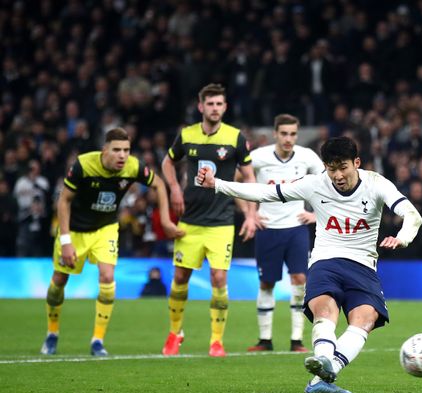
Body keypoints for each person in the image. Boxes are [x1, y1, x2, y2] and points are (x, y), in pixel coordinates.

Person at [196, 136, 422, 393]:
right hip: (325, 260)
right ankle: (325, 363)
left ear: (356, 163)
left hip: (362, 264)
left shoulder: (376, 183)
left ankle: (324, 375)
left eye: (343, 167)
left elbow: (412, 215)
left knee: (366, 318)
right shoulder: (314, 184)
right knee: (325, 310)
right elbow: (266, 192)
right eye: (331, 168)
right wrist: (217, 184)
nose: (337, 175)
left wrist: (402, 238)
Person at [40, 127, 183, 356]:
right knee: (59, 281)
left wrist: (165, 220)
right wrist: (66, 241)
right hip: (75, 230)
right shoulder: (83, 165)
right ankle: (52, 333)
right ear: (104, 150)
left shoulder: (133, 166)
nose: (122, 155)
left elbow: (157, 184)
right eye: (117, 150)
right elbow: (64, 201)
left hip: (105, 228)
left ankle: (98, 341)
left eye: (126, 150)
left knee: (107, 277)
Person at [160, 83, 258, 357]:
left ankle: (216, 341)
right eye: (210, 104)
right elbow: (168, 163)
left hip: (221, 221)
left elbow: (249, 177)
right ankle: (174, 332)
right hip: (189, 220)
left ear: (225, 107)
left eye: (219, 104)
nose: (215, 108)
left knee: (218, 278)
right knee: (180, 277)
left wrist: (250, 215)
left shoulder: (235, 138)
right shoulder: (187, 135)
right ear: (200, 106)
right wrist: (175, 188)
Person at [247, 114, 324, 353]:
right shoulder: (258, 157)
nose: (288, 139)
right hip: (267, 227)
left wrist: (315, 215)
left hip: (296, 228)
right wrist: (251, 214)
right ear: (275, 134)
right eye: (284, 134)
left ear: (297, 135)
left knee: (300, 280)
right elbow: (242, 181)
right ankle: (265, 340)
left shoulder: (307, 156)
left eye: (292, 134)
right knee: (266, 282)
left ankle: (296, 341)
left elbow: (327, 184)